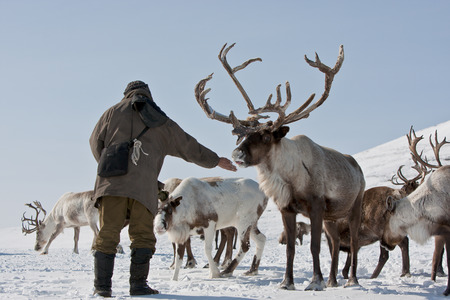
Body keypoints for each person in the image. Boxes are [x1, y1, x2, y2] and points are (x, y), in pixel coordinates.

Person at [89, 80, 236, 297]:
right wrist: (216, 160)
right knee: (142, 236)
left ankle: (102, 288)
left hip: (111, 186)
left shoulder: (111, 113)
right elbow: (189, 146)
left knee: (107, 234)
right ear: (148, 95)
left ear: (126, 94)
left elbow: (95, 142)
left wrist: (110, 165)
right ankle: (138, 286)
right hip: (144, 189)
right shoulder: (159, 120)